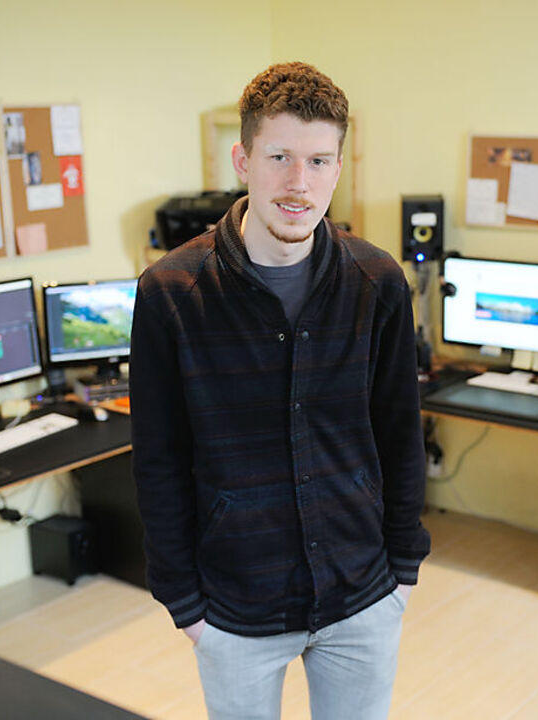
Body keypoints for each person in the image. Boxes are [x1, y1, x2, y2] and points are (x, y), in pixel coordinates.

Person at [130, 62, 430, 720]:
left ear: (339, 166)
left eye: (320, 160)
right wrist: (183, 603)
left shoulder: (376, 281)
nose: (300, 184)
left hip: (363, 596)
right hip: (235, 609)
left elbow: (401, 434)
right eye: (280, 157)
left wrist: (403, 569)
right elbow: (158, 459)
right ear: (242, 159)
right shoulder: (170, 293)